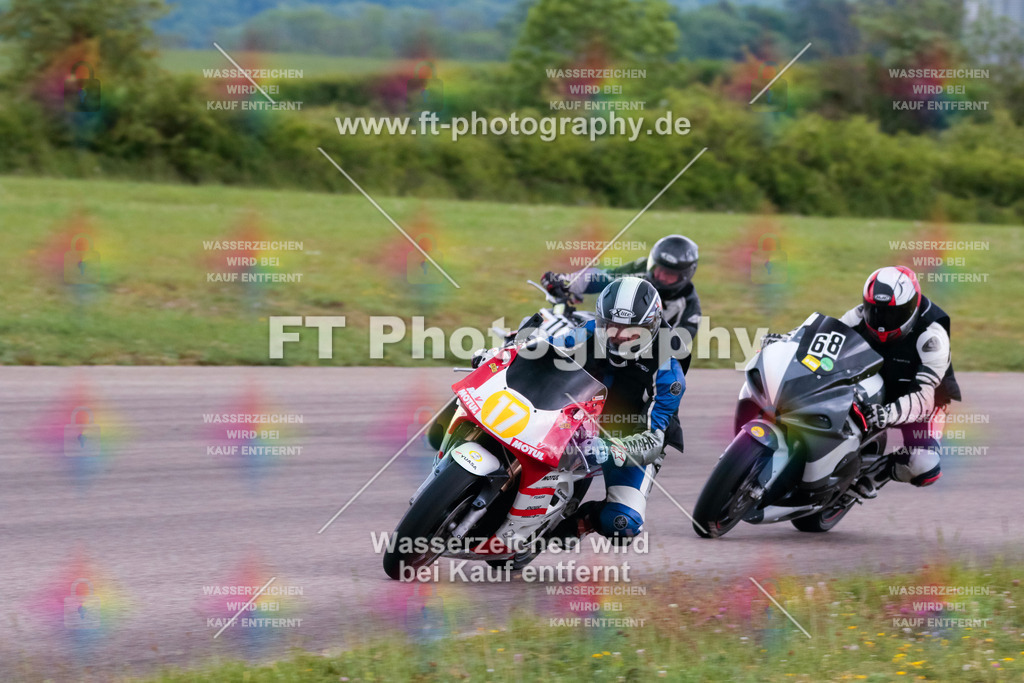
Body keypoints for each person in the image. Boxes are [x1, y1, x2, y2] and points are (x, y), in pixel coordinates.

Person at [549, 276, 686, 544]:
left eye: (632, 331)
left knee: (622, 524)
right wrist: (501, 354)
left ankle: (581, 521)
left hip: (627, 436)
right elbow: (543, 349)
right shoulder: (588, 331)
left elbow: (653, 440)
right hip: (574, 415)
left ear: (652, 326)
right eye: (612, 326)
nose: (619, 337)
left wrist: (614, 449)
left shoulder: (669, 373)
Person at [841, 266, 961, 496]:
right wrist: (790, 341)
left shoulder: (933, 336)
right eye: (876, 312)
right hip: (876, 378)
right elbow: (824, 336)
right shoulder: (860, 315)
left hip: (922, 398)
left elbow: (925, 397)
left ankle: (878, 474)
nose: (882, 322)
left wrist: (888, 414)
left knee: (924, 467)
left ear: (912, 307)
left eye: (892, 314)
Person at [540, 234, 701, 372]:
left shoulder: (690, 309)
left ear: (685, 275)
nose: (661, 277)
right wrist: (565, 281)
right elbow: (604, 277)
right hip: (611, 333)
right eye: (659, 269)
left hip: (640, 360)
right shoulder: (640, 269)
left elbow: (675, 351)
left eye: (669, 274)